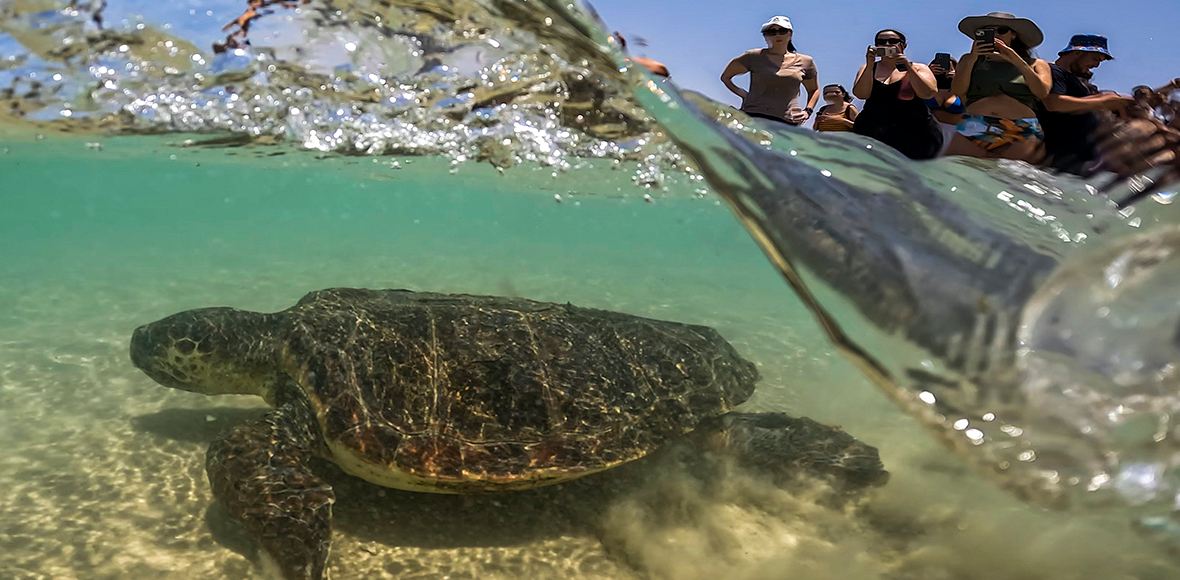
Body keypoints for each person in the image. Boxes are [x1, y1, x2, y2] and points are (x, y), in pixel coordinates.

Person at [948, 12, 1053, 162]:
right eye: (989, 31)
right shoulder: (969, 59)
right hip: (974, 123)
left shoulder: (1036, 64)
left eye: (1002, 30)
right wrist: (973, 58)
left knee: (1013, 180)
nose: (996, 34)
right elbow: (958, 91)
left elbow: (1042, 92)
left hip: (1020, 128)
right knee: (955, 173)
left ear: (1013, 35)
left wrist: (1017, 61)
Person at [1036, 34, 1135, 173]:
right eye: (1095, 58)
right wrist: (1102, 102)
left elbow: (1075, 106)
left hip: (1074, 160)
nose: (1096, 65)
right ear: (1077, 52)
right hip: (1058, 157)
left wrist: (1110, 101)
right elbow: (1054, 104)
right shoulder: (1054, 72)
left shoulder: (1073, 80)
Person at [851, 29, 943, 160]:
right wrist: (870, 64)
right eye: (881, 42)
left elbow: (928, 93)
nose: (887, 44)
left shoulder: (918, 67)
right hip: (874, 130)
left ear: (904, 46)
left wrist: (908, 68)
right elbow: (861, 94)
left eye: (893, 41)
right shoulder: (867, 68)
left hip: (916, 133)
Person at [721, 16, 820, 126]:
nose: (778, 35)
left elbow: (814, 90)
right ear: (765, 36)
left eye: (782, 31)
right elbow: (726, 77)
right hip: (753, 116)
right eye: (772, 32)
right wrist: (744, 95)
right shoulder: (753, 56)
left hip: (787, 121)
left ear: (790, 34)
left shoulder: (806, 61)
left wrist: (808, 111)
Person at [926, 55, 966, 156]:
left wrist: (959, 78)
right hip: (927, 130)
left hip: (954, 134)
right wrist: (927, 73)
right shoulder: (925, 88)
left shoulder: (962, 90)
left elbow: (970, 106)